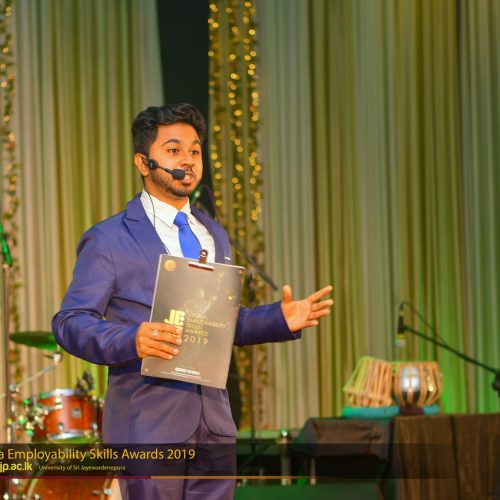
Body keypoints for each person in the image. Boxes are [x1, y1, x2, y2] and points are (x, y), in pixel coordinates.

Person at [52, 103, 333, 499]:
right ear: (143, 162)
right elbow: (70, 322)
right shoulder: (109, 239)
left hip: (213, 425)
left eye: (195, 151)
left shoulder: (212, 233)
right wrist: (132, 339)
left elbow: (218, 322)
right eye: (173, 150)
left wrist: (280, 318)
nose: (187, 159)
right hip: (147, 425)